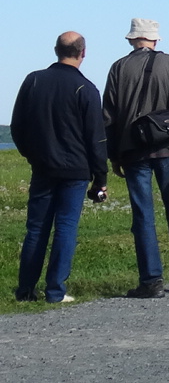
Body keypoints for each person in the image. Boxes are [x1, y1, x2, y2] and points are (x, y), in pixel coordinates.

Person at [102, 18, 169, 297]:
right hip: (167, 149)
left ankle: (151, 281)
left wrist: (114, 156)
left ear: (131, 39)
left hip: (133, 152)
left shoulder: (118, 68)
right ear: (155, 39)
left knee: (143, 216)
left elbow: (108, 117)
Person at [11, 32, 109, 304]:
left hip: (43, 166)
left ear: (56, 50)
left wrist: (31, 155)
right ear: (83, 53)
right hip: (75, 170)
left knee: (36, 228)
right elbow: (96, 138)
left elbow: (17, 126)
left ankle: (25, 290)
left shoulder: (33, 80)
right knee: (65, 227)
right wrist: (100, 177)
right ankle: (55, 290)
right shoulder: (86, 89)